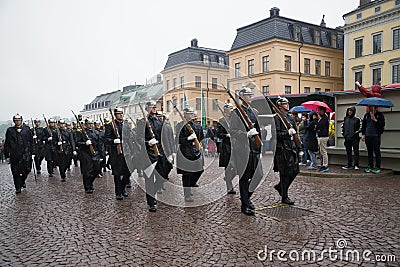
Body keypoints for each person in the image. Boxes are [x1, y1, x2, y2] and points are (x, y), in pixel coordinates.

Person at [230, 86, 263, 215]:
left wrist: (260, 143)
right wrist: (245, 134)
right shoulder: (236, 112)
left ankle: (247, 198)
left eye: (251, 95)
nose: (251, 97)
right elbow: (232, 131)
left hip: (254, 148)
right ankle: (245, 205)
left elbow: (258, 129)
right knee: (244, 177)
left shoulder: (253, 112)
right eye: (248, 95)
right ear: (242, 97)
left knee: (258, 175)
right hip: (243, 150)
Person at [137, 101, 172, 212]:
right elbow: (138, 138)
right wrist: (148, 142)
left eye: (155, 107)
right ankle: (151, 202)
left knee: (163, 174)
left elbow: (164, 137)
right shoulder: (142, 122)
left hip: (160, 152)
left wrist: (170, 152)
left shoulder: (158, 121)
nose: (154, 108)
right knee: (149, 179)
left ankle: (153, 193)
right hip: (148, 154)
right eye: (152, 107)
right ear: (147, 109)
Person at [273, 97, 299, 205]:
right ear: (279, 106)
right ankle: (285, 196)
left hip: (291, 147)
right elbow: (276, 134)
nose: (287, 105)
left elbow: (295, 132)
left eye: (287, 103)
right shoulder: (277, 118)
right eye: (284, 103)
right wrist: (287, 134)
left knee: (295, 170)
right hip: (282, 148)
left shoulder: (290, 117)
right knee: (284, 173)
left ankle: (280, 187)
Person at [176, 106, 204, 202]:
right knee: (187, 174)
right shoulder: (180, 126)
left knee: (199, 170)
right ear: (185, 114)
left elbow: (201, 137)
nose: (192, 115)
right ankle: (187, 194)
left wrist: (197, 141)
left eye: (193, 113)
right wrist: (188, 139)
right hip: (185, 152)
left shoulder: (197, 126)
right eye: (190, 113)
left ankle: (191, 185)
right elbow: (177, 140)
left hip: (195, 151)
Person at [104, 107, 132, 200]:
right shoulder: (110, 125)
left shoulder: (126, 124)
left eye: (122, 113)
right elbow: (106, 139)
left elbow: (129, 137)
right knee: (117, 173)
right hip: (115, 152)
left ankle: (122, 188)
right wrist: (113, 141)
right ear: (115, 115)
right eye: (119, 113)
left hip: (126, 151)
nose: (121, 115)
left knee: (128, 172)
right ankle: (118, 192)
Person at [4, 114, 33, 194]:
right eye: (16, 120)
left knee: (27, 170)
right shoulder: (10, 130)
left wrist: (33, 152)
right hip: (15, 154)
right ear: (14, 121)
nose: (17, 122)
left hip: (25, 154)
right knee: (15, 172)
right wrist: (7, 154)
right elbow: (7, 143)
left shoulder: (27, 130)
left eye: (19, 120)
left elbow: (31, 142)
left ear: (21, 120)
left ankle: (22, 180)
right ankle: (18, 187)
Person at [76, 118, 103, 193]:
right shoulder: (81, 133)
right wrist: (85, 143)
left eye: (91, 123)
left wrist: (101, 155)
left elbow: (99, 144)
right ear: (85, 125)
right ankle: (87, 187)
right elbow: (77, 143)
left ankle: (90, 182)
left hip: (95, 153)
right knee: (87, 171)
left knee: (97, 170)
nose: (90, 125)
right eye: (89, 124)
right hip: (86, 153)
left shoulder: (95, 132)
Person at [216, 101, 236, 194]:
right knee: (228, 167)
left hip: (236, 145)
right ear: (226, 110)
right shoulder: (222, 120)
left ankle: (228, 178)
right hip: (227, 146)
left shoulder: (235, 119)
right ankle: (229, 187)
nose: (231, 111)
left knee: (237, 167)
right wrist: (226, 135)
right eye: (230, 109)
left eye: (232, 109)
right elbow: (218, 134)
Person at [361, 105, 385, 174]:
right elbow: (364, 125)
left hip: (376, 136)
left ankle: (377, 166)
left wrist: (375, 120)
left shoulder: (380, 115)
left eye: (371, 106)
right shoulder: (366, 115)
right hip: (368, 136)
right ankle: (370, 166)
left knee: (377, 151)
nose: (370, 108)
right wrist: (363, 134)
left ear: (375, 107)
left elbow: (382, 124)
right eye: (369, 107)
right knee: (369, 152)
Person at [316, 106, 329, 172]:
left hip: (323, 137)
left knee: (323, 151)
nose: (317, 111)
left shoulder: (324, 118)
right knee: (321, 151)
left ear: (322, 111)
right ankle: (323, 164)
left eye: (318, 110)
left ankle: (325, 165)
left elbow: (320, 126)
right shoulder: (322, 118)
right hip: (321, 136)